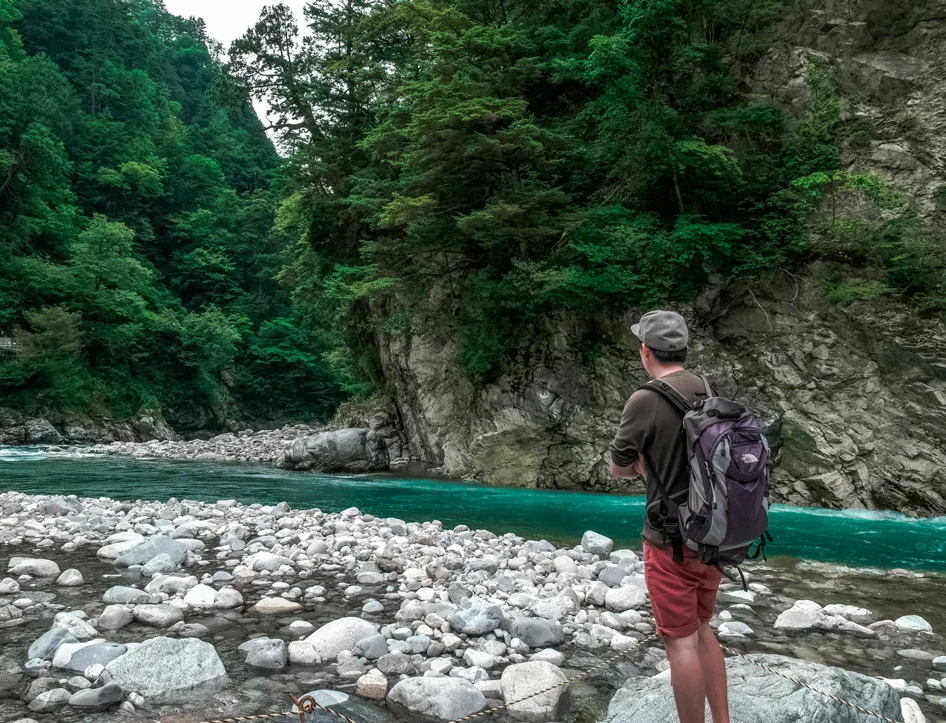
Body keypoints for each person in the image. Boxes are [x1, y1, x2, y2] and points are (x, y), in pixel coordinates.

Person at [608, 309, 729, 723]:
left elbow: (619, 467)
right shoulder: (705, 387)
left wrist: (643, 466)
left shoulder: (645, 399)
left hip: (668, 539)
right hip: (714, 533)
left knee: (680, 643)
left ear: (645, 350)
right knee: (702, 628)